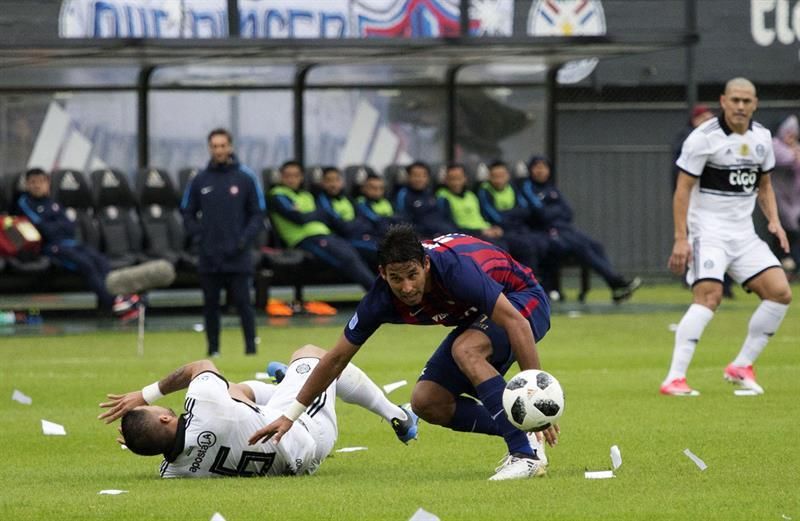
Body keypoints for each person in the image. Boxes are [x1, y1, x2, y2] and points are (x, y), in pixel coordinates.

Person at [249, 224, 558, 481]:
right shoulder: (381, 299)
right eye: (396, 278)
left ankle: (524, 454)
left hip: (523, 300)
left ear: (425, 264)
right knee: (427, 401)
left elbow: (516, 323)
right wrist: (290, 415)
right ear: (382, 273)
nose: (407, 287)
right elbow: (336, 358)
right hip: (477, 317)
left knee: (467, 350)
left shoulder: (454, 269)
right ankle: (526, 434)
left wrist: (535, 397)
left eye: (412, 275)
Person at [97, 344, 418, 478]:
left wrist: (142, 439)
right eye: (156, 410)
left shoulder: (173, 473)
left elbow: (162, 450)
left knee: (235, 391)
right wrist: (144, 394)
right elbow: (199, 367)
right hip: (306, 434)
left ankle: (285, 385)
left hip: (275, 452)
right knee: (315, 356)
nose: (158, 407)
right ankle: (398, 416)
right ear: (166, 417)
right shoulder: (206, 405)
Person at [660, 77, 793, 396]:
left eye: (747, 101)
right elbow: (682, 190)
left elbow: (764, 186)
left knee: (780, 292)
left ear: (755, 104)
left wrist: (774, 220)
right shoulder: (702, 139)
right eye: (735, 100)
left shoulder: (762, 138)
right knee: (709, 296)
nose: (740, 106)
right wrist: (682, 238)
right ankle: (675, 378)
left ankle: (742, 365)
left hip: (743, 235)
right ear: (723, 101)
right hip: (708, 231)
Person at [181, 128, 265, 356]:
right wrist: (200, 237)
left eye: (222, 145)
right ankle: (213, 350)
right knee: (210, 305)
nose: (219, 150)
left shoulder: (246, 177)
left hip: (238, 254)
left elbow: (258, 213)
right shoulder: (199, 179)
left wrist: (243, 240)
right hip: (209, 255)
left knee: (243, 304)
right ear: (210, 148)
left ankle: (250, 350)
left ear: (230, 147)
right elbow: (187, 212)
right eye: (214, 146)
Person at [17, 168, 139, 320]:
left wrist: (55, 226)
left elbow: (69, 227)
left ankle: (120, 296)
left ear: (47, 183)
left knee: (100, 260)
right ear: (27, 185)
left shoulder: (53, 202)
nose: (37, 186)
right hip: (50, 247)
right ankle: (114, 302)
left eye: (41, 182)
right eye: (33, 182)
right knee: (85, 263)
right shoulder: (24, 203)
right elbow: (46, 230)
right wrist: (56, 226)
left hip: (70, 243)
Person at [520, 156, 642, 303]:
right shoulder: (527, 188)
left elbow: (568, 211)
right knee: (582, 248)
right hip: (546, 233)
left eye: (544, 167)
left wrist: (553, 211)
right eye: (537, 167)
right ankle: (616, 281)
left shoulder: (552, 188)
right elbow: (541, 214)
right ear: (531, 170)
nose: (541, 171)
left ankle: (615, 286)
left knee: (596, 245)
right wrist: (555, 211)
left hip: (564, 229)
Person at [268, 161, 375, 291]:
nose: (291, 179)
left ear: (301, 177)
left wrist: (306, 213)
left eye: (295, 175)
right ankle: (379, 296)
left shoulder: (306, 195)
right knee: (347, 259)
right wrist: (310, 215)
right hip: (304, 239)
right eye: (287, 175)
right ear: (281, 177)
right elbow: (298, 218)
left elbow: (322, 215)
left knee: (357, 254)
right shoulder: (277, 194)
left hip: (326, 235)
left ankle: (382, 294)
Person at [672, 105, 737, 298]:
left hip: (716, 202)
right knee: (699, 241)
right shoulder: (690, 140)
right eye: (705, 118)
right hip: (697, 201)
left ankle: (722, 283)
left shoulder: (719, 139)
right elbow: (682, 177)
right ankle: (700, 279)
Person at [475, 160, 550, 283]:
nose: (499, 180)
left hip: (519, 228)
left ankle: (545, 285)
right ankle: (526, 284)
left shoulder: (513, 188)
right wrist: (513, 214)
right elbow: (496, 217)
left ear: (507, 176)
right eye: (495, 176)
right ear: (489, 177)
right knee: (525, 247)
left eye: (502, 176)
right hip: (502, 231)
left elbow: (525, 210)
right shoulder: (484, 191)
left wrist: (509, 215)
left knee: (543, 243)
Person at [316, 166, 379, 269]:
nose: (333, 184)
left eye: (337, 180)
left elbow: (365, 220)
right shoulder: (322, 201)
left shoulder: (348, 198)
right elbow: (340, 226)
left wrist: (354, 225)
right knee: (385, 254)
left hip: (361, 236)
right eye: (328, 181)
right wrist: (356, 225)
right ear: (322, 183)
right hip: (344, 241)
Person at [394, 161, 456, 239]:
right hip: (425, 238)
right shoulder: (403, 195)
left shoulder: (433, 194)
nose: (419, 179)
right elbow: (404, 222)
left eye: (423, 176)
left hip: (445, 234)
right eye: (415, 175)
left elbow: (445, 218)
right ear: (408, 177)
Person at [770, 114, 800, 274]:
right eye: (788, 131)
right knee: (783, 230)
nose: (792, 135)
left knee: (792, 231)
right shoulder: (775, 145)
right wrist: (794, 152)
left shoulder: (795, 147)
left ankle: (790, 264)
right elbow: (786, 159)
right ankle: (785, 262)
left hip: (795, 198)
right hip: (776, 198)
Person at [355, 173, 402, 239]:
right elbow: (376, 220)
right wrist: (390, 219)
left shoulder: (387, 202)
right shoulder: (361, 203)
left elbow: (399, 218)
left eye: (381, 188)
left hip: (390, 236)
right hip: (372, 237)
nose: (378, 191)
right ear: (364, 188)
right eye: (373, 188)